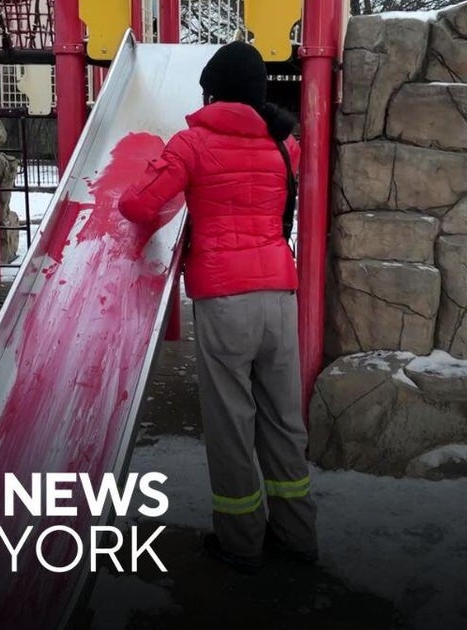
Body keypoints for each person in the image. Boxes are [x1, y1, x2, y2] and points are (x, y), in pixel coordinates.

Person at [118, 42, 318, 574]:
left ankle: (241, 542)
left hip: (225, 300)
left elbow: (137, 204)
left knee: (232, 425)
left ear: (212, 91)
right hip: (279, 295)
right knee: (283, 421)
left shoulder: (191, 144)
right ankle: (297, 535)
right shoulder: (285, 147)